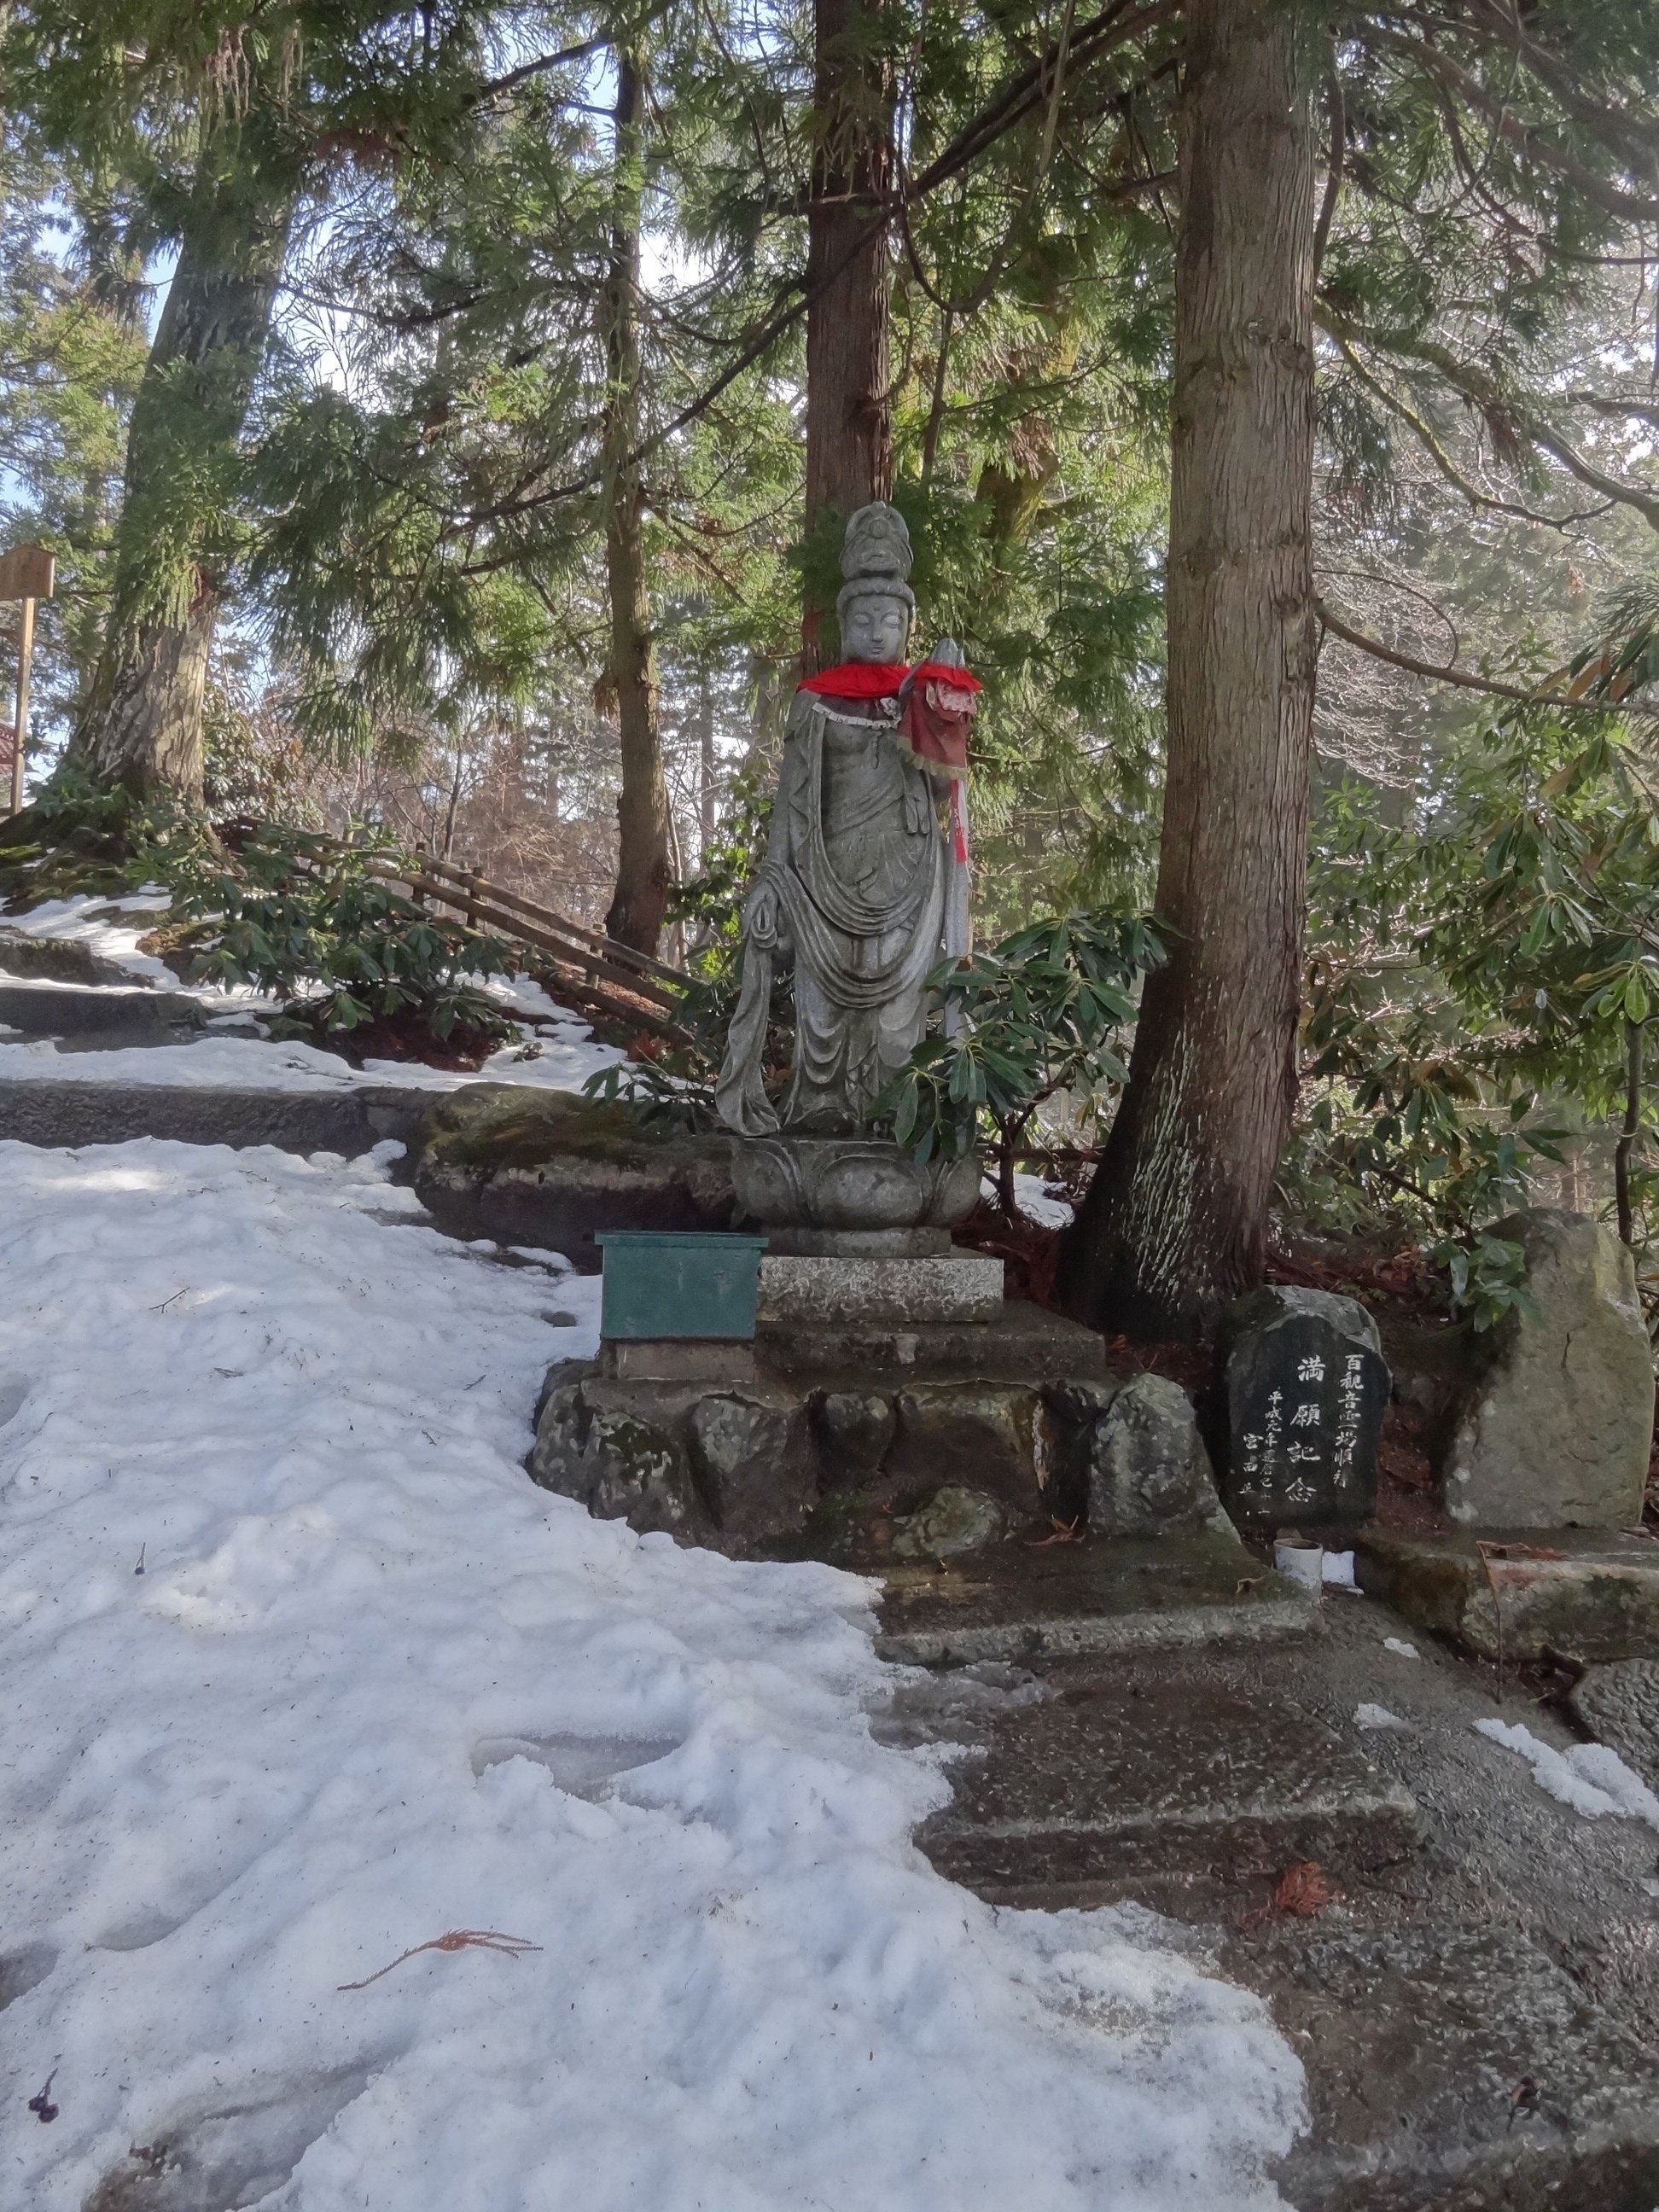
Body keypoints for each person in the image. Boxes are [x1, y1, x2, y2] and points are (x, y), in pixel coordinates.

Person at [716, 502, 977, 1134]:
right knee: (824, 1011)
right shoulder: (816, 702)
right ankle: (819, 1113)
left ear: (907, 624)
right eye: (864, 618)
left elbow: (942, 795)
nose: (878, 630)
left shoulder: (915, 694)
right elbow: (792, 802)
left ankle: (895, 1120)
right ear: (842, 624)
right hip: (824, 876)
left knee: (898, 1015)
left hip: (906, 873)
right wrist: (771, 879)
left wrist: (942, 707)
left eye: (891, 619)